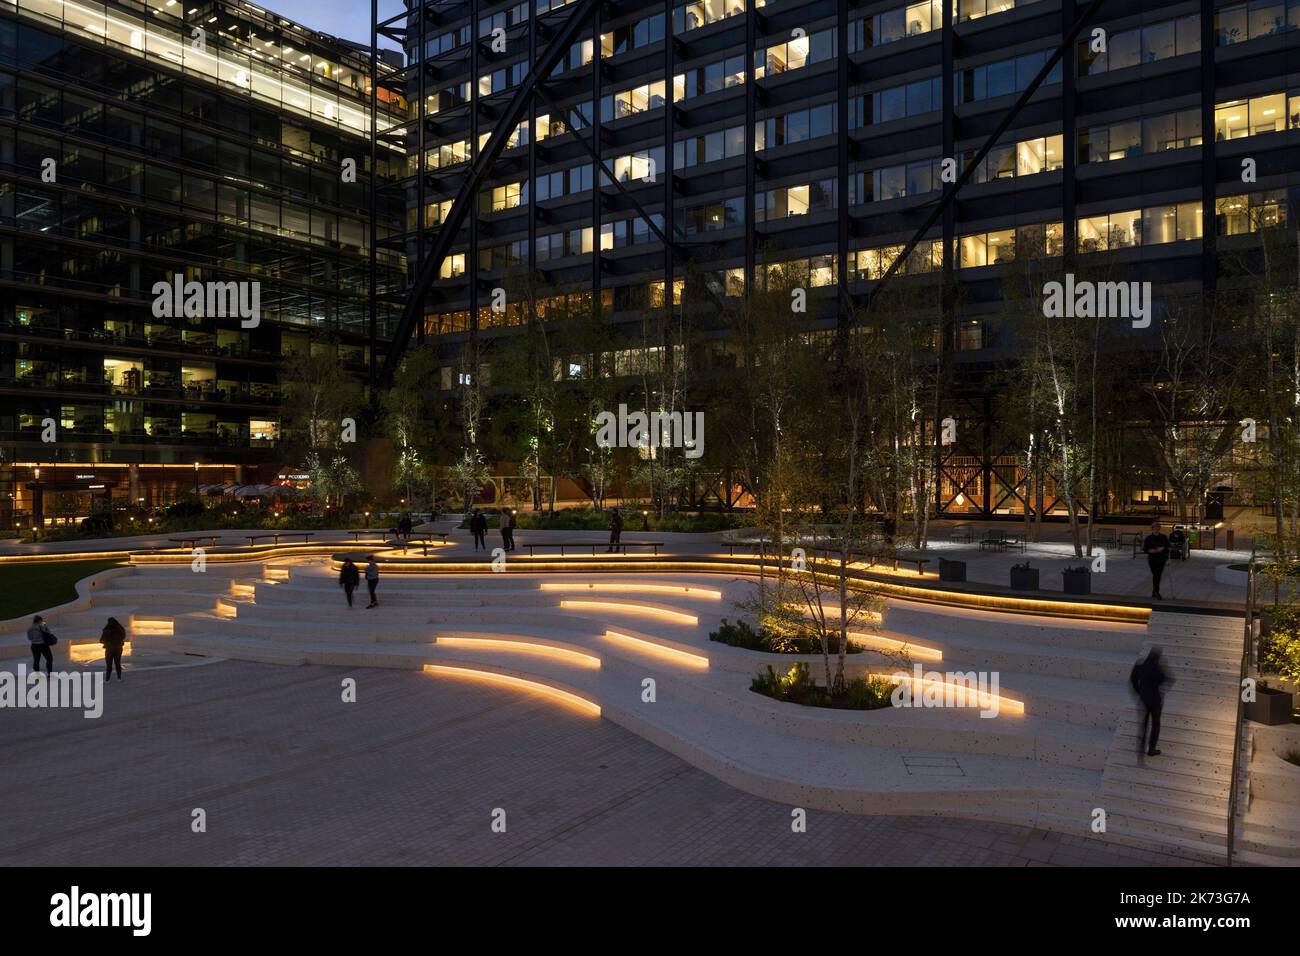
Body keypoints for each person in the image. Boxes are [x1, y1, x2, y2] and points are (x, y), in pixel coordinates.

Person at [1129, 647, 1174, 757]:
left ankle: (1140, 748)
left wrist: (1139, 691)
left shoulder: (1140, 665)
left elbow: (1132, 679)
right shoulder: (1158, 668)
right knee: (1155, 723)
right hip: (1156, 700)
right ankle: (1151, 749)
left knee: (1144, 724)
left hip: (1144, 699)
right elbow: (1169, 679)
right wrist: (1161, 689)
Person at [1143, 519, 1170, 600]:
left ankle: (1155, 592)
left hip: (1162, 559)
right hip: (1153, 560)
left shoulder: (1163, 537)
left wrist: (1162, 549)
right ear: (1152, 528)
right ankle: (1156, 591)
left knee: (1157, 575)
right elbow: (1145, 549)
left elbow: (1168, 547)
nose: (1156, 528)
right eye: (1155, 527)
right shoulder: (1149, 538)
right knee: (1156, 575)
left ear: (1159, 528)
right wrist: (1152, 550)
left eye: (1158, 527)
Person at [101, 616, 127, 681]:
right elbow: (123, 636)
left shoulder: (107, 629)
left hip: (110, 649)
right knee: (118, 663)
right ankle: (119, 678)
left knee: (109, 665)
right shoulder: (120, 629)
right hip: (118, 649)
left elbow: (101, 640)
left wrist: (108, 642)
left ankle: (107, 679)